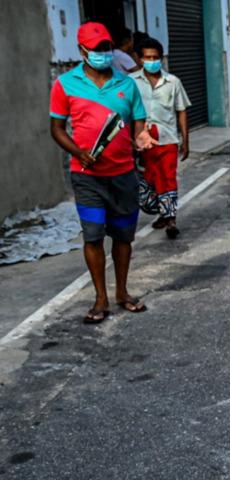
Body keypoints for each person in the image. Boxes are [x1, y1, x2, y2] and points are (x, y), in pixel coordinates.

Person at [49, 22, 156, 323]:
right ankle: (100, 298)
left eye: (106, 47)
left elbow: (138, 127)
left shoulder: (126, 85)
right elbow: (56, 129)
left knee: (123, 238)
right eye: (96, 49)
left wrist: (143, 138)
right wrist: (77, 151)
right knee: (93, 236)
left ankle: (122, 292)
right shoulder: (65, 84)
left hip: (123, 175)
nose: (103, 53)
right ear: (82, 50)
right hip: (86, 177)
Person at [131, 37, 191, 239]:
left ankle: (171, 219)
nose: (152, 61)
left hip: (167, 139)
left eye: (155, 57)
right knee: (148, 181)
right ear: (139, 59)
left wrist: (185, 140)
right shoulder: (130, 82)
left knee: (168, 178)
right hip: (141, 141)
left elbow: (181, 111)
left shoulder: (173, 82)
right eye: (147, 57)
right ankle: (163, 212)